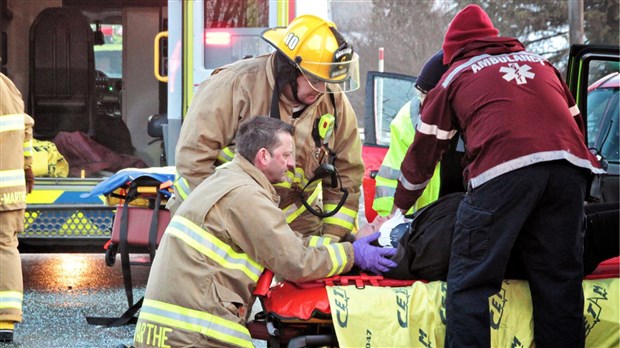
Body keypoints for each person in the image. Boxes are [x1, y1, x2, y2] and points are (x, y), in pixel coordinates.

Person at [393, 5, 605, 347]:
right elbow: (575, 124)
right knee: (560, 281)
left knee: (471, 280)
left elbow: (425, 151)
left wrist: (399, 208)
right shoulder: (542, 65)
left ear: (452, 51)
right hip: (569, 168)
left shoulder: (455, 74)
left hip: (502, 171)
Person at [133, 116, 396, 348]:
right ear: (263, 156)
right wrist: (353, 255)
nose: (292, 164)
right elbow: (295, 261)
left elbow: (286, 244)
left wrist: (349, 242)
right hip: (198, 332)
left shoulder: (226, 178)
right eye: (286, 155)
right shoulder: (247, 197)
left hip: (166, 329)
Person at [169, 14, 364, 243]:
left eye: (327, 81)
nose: (322, 89)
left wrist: (331, 240)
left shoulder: (334, 102)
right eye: (314, 80)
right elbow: (194, 161)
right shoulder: (235, 85)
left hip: (297, 222)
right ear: (289, 71)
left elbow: (347, 176)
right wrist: (235, 222)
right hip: (221, 218)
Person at [360, 192, 619, 281]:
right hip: (558, 243)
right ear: (383, 244)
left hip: (551, 227)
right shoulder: (423, 249)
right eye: (372, 227)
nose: (377, 219)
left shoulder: (417, 231)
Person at [372, 50, 464, 217]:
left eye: (430, 99)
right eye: (421, 96)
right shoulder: (409, 118)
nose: (424, 106)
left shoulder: (478, 123)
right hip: (418, 225)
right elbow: (392, 178)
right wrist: (389, 222)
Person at [0, 73, 34, 343]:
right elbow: (26, 131)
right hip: (10, 191)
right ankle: (6, 320)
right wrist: (27, 169)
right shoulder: (8, 87)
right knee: (6, 248)